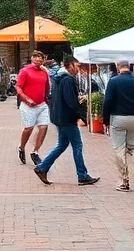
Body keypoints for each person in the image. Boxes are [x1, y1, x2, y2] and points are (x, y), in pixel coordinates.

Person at [34, 55, 98, 186]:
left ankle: (42, 167)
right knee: (77, 145)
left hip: (58, 117)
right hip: (66, 118)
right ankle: (82, 175)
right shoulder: (68, 79)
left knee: (62, 144)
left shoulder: (58, 78)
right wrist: (81, 114)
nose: (78, 69)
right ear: (70, 65)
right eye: (77, 66)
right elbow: (70, 101)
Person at [102, 59, 134, 191]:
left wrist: (106, 120)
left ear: (118, 67)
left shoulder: (114, 81)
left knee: (119, 149)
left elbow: (108, 101)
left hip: (118, 118)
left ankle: (124, 181)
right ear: (129, 67)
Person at [15, 50, 51, 166]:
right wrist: (26, 99)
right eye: (36, 57)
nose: (38, 59)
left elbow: (47, 87)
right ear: (31, 58)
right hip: (28, 105)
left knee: (44, 127)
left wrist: (47, 99)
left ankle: (35, 152)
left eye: (41, 57)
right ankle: (21, 147)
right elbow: (18, 87)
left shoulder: (44, 72)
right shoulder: (25, 71)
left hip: (41, 104)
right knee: (28, 129)